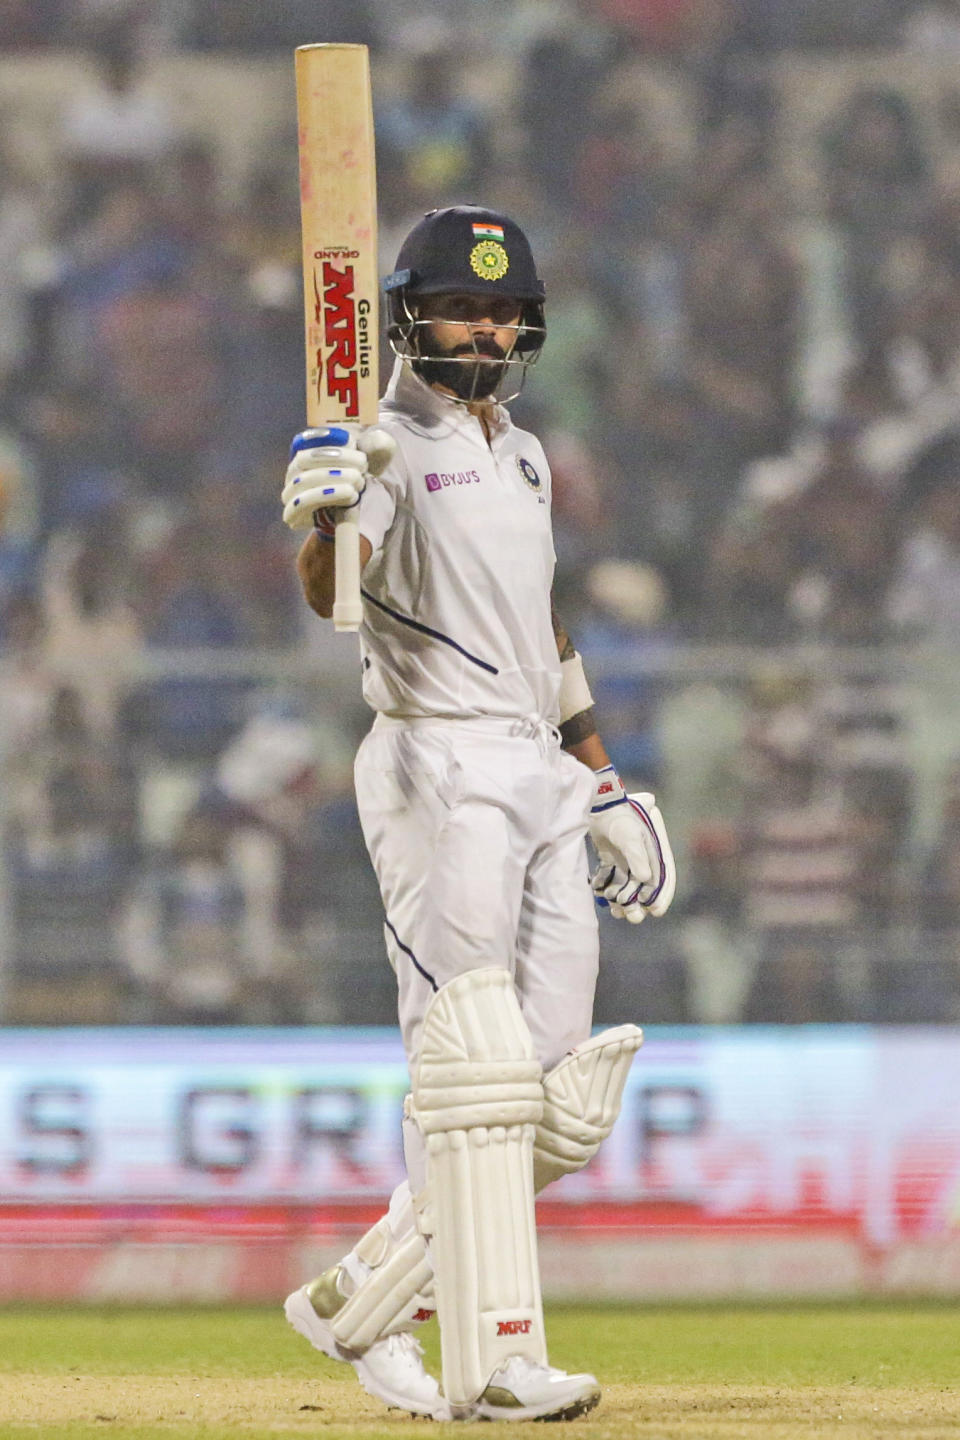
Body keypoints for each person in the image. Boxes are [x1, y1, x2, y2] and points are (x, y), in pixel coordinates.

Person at [279, 205, 677, 1423]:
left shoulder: (526, 452)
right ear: (407, 314)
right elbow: (331, 600)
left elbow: (541, 628)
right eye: (465, 305)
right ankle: (492, 1356)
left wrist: (601, 773)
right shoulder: (383, 447)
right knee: (474, 1072)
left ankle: (360, 1298)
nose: (490, 326)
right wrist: (324, 516)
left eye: (506, 310)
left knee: (552, 1091)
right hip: (435, 767)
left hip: (536, 769)